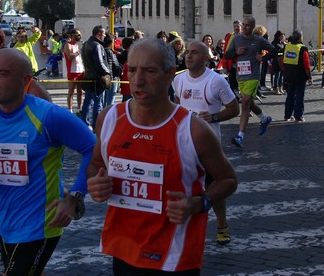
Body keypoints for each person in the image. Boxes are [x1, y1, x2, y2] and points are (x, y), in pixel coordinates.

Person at [86, 38, 237, 274]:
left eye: (149, 71)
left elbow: (228, 180)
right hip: (123, 249)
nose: (138, 80)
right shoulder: (109, 119)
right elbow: (95, 165)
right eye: (133, 70)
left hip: (174, 257)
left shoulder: (194, 130)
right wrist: (95, 184)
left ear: (170, 76)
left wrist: (199, 203)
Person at [0, 48, 95, 276]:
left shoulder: (48, 116)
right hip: (5, 222)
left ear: (25, 80)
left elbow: (94, 148)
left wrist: (76, 195)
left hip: (42, 224)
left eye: (2, 74)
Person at [174, 40, 239, 245]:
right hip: (183, 144)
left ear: (205, 58)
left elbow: (234, 108)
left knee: (214, 187)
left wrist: (214, 117)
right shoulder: (178, 80)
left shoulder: (216, 81)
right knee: (182, 185)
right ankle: (184, 227)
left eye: (194, 53)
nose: (189, 56)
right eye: (187, 53)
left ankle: (222, 224)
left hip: (209, 146)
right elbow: (176, 106)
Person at [225, 17, 276, 147]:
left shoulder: (258, 40)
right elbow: (227, 55)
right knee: (249, 103)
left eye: (248, 25)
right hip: (241, 76)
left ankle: (240, 136)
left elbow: (275, 50)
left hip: (253, 76)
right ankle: (265, 118)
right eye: (244, 25)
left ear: (253, 27)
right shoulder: (236, 39)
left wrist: (263, 57)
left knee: (245, 103)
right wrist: (236, 52)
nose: (245, 27)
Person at [81, 25, 111, 129]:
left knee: (87, 102)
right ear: (99, 34)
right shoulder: (97, 45)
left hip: (88, 76)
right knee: (98, 103)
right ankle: (97, 125)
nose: (104, 36)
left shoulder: (86, 44)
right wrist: (108, 72)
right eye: (103, 34)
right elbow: (100, 63)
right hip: (97, 78)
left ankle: (84, 123)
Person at [283, 30, 312, 122]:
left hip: (289, 75)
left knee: (290, 95)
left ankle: (287, 115)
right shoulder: (303, 48)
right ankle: (298, 116)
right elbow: (307, 64)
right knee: (299, 96)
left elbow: (282, 59)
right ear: (300, 37)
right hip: (300, 76)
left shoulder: (287, 46)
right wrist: (310, 76)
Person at [63, 29, 84, 113]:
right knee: (71, 91)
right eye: (78, 35)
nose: (79, 36)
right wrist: (78, 53)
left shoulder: (77, 45)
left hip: (80, 70)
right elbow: (69, 56)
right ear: (73, 35)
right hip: (72, 71)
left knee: (80, 91)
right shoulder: (68, 45)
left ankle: (79, 108)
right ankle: (70, 109)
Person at [221, 20, 243, 100]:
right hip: (233, 63)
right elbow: (226, 52)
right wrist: (225, 66)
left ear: (241, 27)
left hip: (243, 63)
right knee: (233, 81)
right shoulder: (230, 37)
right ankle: (236, 97)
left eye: (238, 26)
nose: (236, 28)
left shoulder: (245, 36)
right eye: (235, 26)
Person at [103, 33, 122, 107]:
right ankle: (108, 116)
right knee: (110, 101)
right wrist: (120, 70)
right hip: (112, 77)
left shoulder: (101, 50)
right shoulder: (110, 52)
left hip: (105, 78)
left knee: (104, 101)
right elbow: (116, 65)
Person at [271, 30, 286, 94]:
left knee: (281, 76)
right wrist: (284, 47)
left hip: (282, 61)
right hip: (276, 61)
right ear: (278, 36)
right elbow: (277, 52)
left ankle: (280, 87)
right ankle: (275, 88)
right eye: (281, 36)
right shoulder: (274, 43)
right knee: (277, 75)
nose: (282, 38)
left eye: (283, 37)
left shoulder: (281, 43)